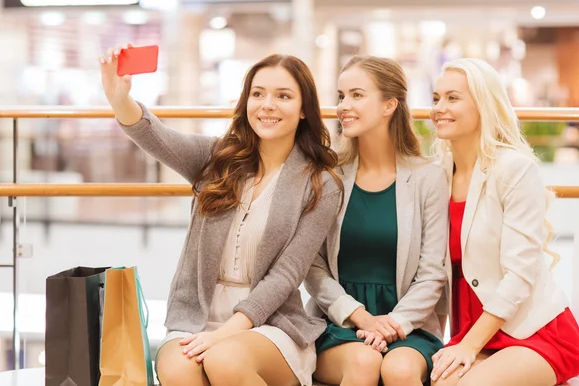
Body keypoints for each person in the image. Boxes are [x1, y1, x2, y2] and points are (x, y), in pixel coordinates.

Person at [99, 46, 343, 386]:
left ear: (304, 110)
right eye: (258, 94)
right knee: (178, 370)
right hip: (195, 316)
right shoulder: (217, 157)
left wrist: (224, 335)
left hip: (271, 322)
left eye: (283, 96)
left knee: (225, 360)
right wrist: (119, 98)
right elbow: (155, 136)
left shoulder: (320, 184)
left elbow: (286, 275)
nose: (267, 105)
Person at [429, 58, 579, 386]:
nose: (439, 108)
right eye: (436, 98)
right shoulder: (437, 174)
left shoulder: (514, 169)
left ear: (484, 104)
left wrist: (469, 346)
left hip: (533, 330)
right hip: (473, 331)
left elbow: (519, 274)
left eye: (453, 98)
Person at [304, 55, 448, 386]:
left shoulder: (428, 178)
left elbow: (432, 274)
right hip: (337, 322)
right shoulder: (328, 176)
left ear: (389, 105)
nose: (343, 106)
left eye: (356, 95)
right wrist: (362, 319)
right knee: (364, 362)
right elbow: (312, 267)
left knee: (399, 370)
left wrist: (392, 324)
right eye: (341, 96)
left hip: (409, 324)